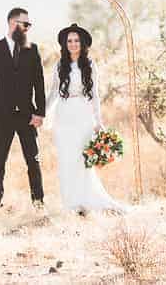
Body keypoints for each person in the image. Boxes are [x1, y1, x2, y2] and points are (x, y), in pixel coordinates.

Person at [44, 23, 130, 215]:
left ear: (82, 44)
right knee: (66, 159)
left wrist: (98, 121)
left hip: (83, 114)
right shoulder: (60, 65)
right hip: (64, 114)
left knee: (81, 160)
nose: (73, 44)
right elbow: (53, 93)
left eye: (76, 41)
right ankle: (71, 204)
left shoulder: (90, 65)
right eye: (69, 41)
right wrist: (43, 113)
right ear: (65, 44)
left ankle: (87, 200)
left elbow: (95, 94)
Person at [0, 7, 46, 211]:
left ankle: (38, 202)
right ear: (12, 23)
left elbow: (39, 83)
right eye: (25, 24)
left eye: (29, 25)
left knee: (33, 160)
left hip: (27, 115)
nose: (27, 28)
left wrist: (40, 112)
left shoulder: (32, 49)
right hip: (2, 115)